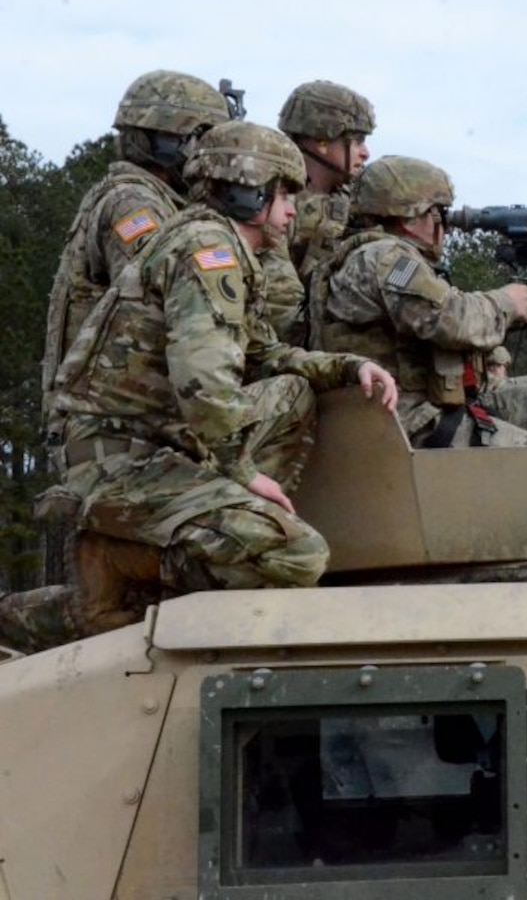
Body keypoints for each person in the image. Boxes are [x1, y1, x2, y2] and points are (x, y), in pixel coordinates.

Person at [4, 121, 400, 653]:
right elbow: (205, 383)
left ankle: (135, 576)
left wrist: (347, 368)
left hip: (152, 449)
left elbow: (262, 355)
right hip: (119, 461)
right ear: (247, 191)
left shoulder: (215, 245)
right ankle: (121, 563)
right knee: (297, 554)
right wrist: (244, 472)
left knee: (292, 393)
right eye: (284, 193)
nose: (291, 209)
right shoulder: (207, 250)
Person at [309, 155, 527, 447]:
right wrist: (506, 303)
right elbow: (450, 319)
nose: (445, 226)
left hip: (409, 413)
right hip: (407, 423)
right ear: (412, 217)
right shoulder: (390, 260)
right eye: (440, 213)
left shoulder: (373, 257)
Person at [41, 70, 233, 430]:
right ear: (170, 143)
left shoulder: (155, 200)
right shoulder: (134, 205)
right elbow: (166, 293)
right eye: (204, 139)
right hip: (110, 423)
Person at [263, 80, 377, 343]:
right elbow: (281, 310)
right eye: (357, 140)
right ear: (321, 141)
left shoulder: (355, 201)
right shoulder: (274, 203)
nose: (365, 152)